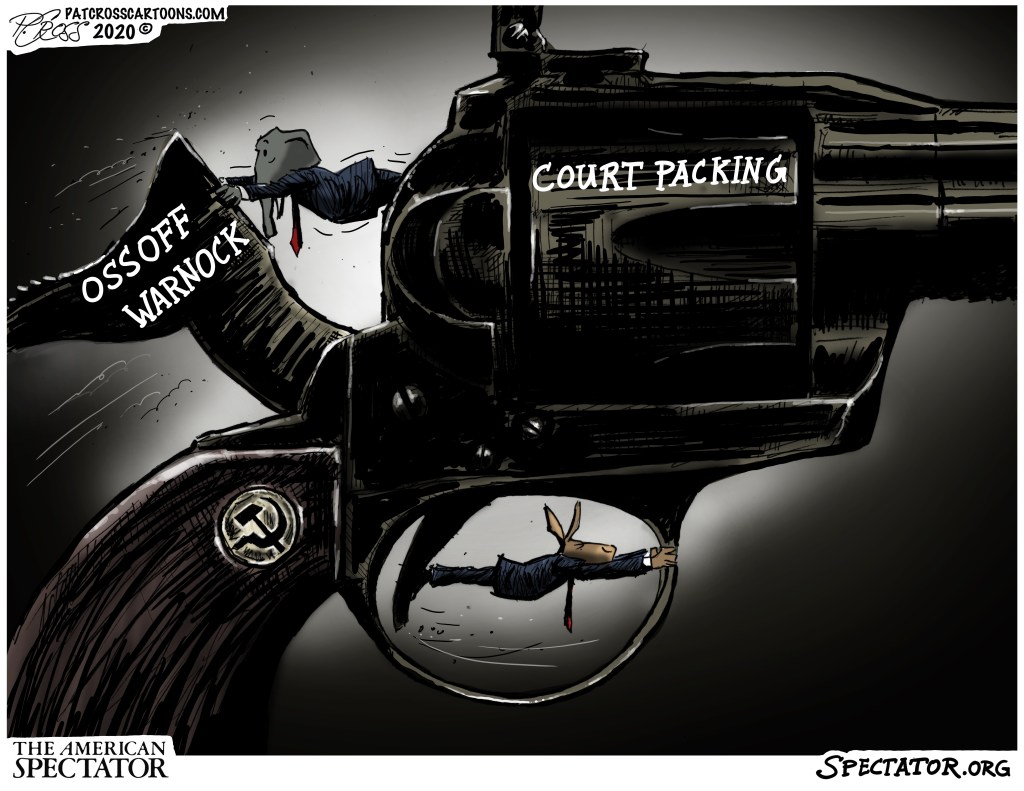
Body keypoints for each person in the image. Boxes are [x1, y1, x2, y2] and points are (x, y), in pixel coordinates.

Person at [405, 502, 677, 631]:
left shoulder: (566, 563)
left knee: (473, 575)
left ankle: (433, 575)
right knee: (473, 575)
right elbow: (604, 565)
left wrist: (645, 561)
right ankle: (434, 575)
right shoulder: (565, 561)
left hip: (518, 580)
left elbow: (604, 569)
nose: (580, 545)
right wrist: (645, 558)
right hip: (518, 578)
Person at [217, 127, 401, 255]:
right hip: (362, 194)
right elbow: (259, 179)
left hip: (367, 186)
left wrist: (241, 192)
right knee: (403, 198)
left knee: (406, 187)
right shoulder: (294, 178)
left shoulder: (303, 176)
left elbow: (274, 188)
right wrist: (231, 181)